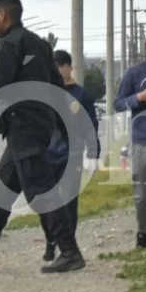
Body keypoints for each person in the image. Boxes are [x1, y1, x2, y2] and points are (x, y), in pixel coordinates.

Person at [0, 0, 85, 273]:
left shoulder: (10, 45)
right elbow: (56, 88)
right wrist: (62, 126)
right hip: (34, 126)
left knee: (40, 191)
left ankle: (70, 252)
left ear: (3, 15)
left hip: (25, 126)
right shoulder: (40, 44)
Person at [42, 49, 100, 261]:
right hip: (47, 155)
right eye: (53, 67)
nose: (57, 71)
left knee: (68, 204)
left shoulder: (81, 95)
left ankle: (68, 248)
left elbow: (91, 125)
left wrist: (93, 154)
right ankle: (50, 241)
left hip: (72, 155)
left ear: (69, 67)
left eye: (60, 66)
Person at [114, 31, 146, 248]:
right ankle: (143, 234)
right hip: (141, 140)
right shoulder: (134, 74)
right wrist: (139, 98)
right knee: (142, 195)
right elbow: (118, 104)